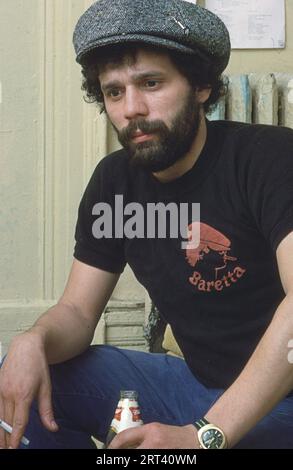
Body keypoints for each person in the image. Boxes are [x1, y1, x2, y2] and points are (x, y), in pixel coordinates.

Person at [0, 0, 293, 450]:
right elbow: (78, 314)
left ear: (200, 86)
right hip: (196, 386)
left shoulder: (269, 158)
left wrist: (202, 436)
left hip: (282, 400)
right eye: (114, 92)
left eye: (151, 83)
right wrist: (34, 339)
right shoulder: (114, 183)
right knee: (20, 374)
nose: (131, 108)